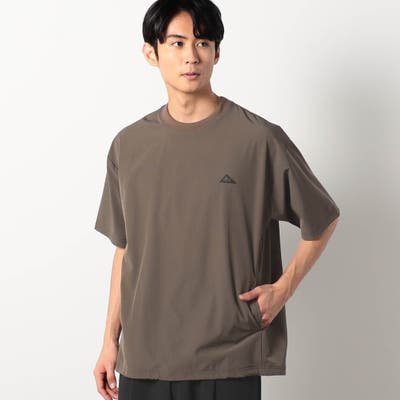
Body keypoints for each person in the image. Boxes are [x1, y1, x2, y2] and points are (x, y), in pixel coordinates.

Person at [92, 1, 340, 399]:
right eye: (177, 43)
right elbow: (125, 250)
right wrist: (109, 341)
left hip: (229, 357)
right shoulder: (128, 145)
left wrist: (283, 289)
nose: (191, 55)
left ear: (217, 53)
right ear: (151, 53)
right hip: (144, 359)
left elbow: (322, 218)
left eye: (203, 42)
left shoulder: (258, 139)